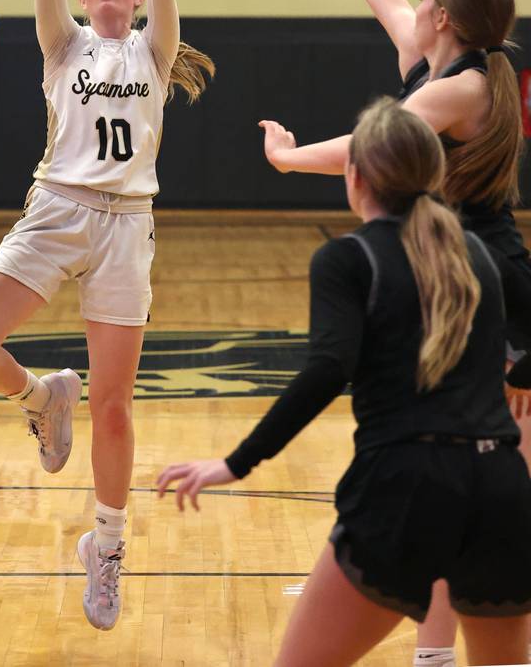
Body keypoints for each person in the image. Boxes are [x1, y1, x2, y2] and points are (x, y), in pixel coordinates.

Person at [259, 0, 531, 667]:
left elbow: (381, 143)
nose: (409, 3)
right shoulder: (443, 63)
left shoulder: (467, 86)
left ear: (444, 18)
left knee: (489, 477)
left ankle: (447, 648)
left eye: (424, 0)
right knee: (467, 478)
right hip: (464, 281)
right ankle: (440, 648)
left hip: (497, 290)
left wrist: (289, 156)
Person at [0, 0, 214, 631]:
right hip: (56, 209)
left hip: (128, 226)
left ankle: (108, 546)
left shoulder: (153, 53)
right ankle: (39, 393)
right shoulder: (61, 49)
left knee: (118, 406)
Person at [158, 97, 531, 667]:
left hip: (406, 487)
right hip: (502, 488)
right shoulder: (476, 252)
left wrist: (236, 462)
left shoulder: (348, 259)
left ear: (355, 176)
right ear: (435, 172)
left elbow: (328, 370)